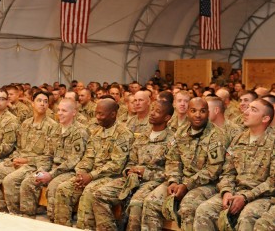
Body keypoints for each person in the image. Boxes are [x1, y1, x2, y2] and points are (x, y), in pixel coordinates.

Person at [141, 98, 226, 230]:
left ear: (208, 113)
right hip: (180, 180)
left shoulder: (216, 135)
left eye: (202, 111)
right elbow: (173, 160)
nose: (198, 115)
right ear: (187, 113)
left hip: (207, 184)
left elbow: (213, 170)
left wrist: (187, 185)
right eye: (193, 111)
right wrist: (173, 181)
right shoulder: (181, 132)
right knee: (151, 201)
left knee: (188, 207)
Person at [92, 100, 174, 231]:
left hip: (154, 182)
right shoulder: (142, 136)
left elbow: (170, 171)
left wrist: (144, 173)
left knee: (135, 203)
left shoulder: (172, 140)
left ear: (167, 117)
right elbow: (130, 161)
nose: (152, 113)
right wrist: (129, 170)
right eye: (152, 109)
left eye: (157, 111)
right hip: (132, 179)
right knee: (99, 194)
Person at [53, 98, 135, 229]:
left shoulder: (123, 134)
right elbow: (88, 157)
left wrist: (90, 176)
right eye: (96, 113)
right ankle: (61, 227)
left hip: (112, 177)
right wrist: (81, 173)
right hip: (92, 175)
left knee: (89, 193)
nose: (97, 117)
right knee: (64, 189)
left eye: (101, 114)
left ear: (113, 114)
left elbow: (116, 165)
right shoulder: (96, 132)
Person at [194, 98, 275, 230]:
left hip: (262, 196)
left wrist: (245, 197)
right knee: (204, 210)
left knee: (246, 216)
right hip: (235, 191)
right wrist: (226, 192)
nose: (246, 112)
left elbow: (272, 182)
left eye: (253, 110)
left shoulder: (272, 141)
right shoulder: (239, 138)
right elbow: (228, 171)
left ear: (265, 118)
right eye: (248, 108)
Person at [0, 91, 58, 213]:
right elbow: (18, 146)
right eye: (39, 101)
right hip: (18, 162)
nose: (42, 104)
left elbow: (49, 156)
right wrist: (16, 158)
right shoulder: (26, 123)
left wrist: (27, 160)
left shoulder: (52, 126)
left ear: (48, 105)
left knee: (9, 181)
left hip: (34, 165)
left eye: (45, 101)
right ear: (32, 103)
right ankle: (5, 211)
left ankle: (17, 215)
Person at [19, 98, 88, 220]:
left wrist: (51, 175)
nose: (60, 113)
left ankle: (53, 221)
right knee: (29, 182)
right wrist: (41, 171)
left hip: (69, 171)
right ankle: (27, 220)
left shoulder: (80, 131)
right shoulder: (56, 129)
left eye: (64, 111)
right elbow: (47, 155)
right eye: (59, 110)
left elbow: (74, 160)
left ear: (74, 113)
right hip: (52, 169)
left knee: (53, 186)